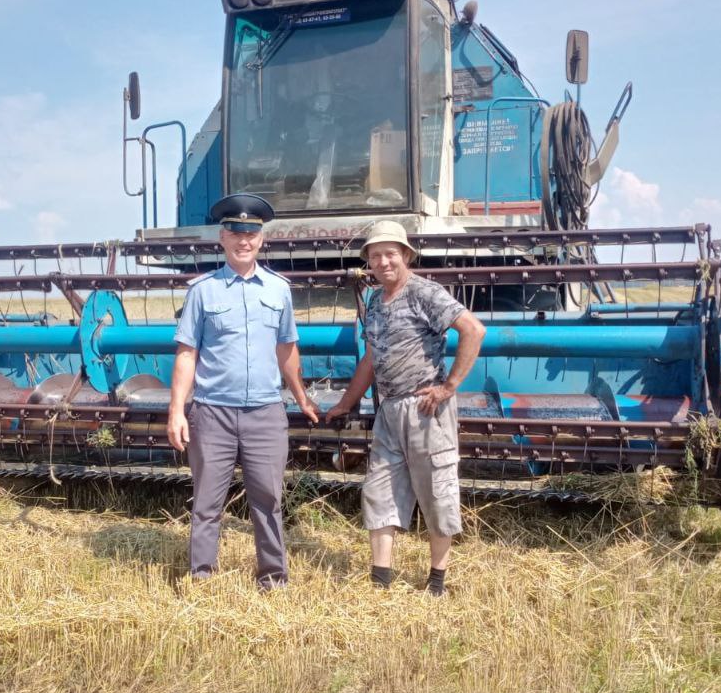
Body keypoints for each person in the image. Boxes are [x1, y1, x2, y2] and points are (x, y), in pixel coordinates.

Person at [166, 194, 320, 590]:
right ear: (223, 237)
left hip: (265, 414)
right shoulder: (202, 291)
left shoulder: (279, 290)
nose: (243, 240)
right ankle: (201, 577)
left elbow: (287, 349)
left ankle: (273, 578)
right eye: (236, 232)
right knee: (206, 503)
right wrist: (177, 411)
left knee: (268, 501)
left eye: (251, 233)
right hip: (213, 412)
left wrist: (300, 396)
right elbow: (187, 354)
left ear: (261, 239)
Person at [326, 220, 486, 595]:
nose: (383, 262)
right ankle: (380, 580)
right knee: (378, 491)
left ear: (406, 256)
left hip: (425, 409)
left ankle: (436, 582)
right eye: (375, 255)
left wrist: (448, 388)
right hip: (389, 411)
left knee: (436, 493)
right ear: (367, 261)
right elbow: (370, 359)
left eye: (390, 254)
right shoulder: (374, 302)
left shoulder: (424, 293)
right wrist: (345, 404)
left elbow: (473, 330)